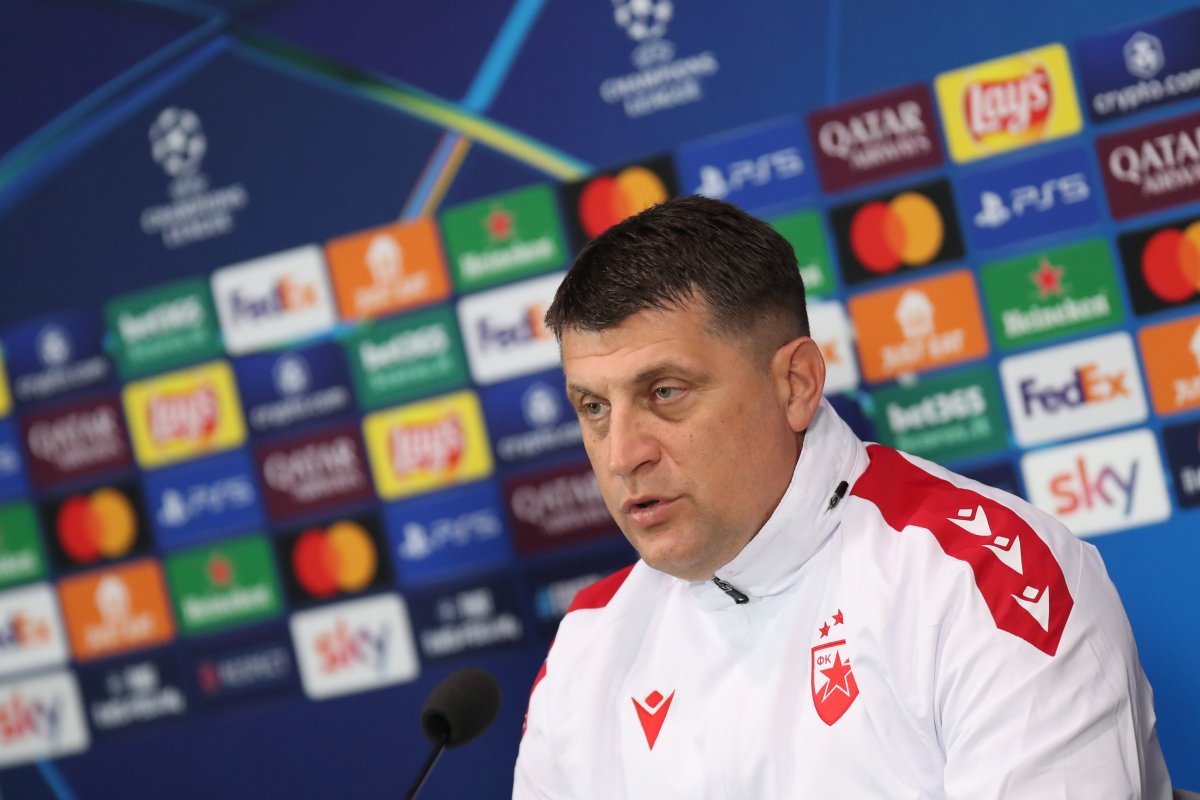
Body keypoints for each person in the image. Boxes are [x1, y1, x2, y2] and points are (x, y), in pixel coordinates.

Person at [511, 195, 1171, 799]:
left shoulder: (982, 582)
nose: (622, 454)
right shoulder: (587, 648)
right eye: (594, 408)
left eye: (665, 393)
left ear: (796, 384)